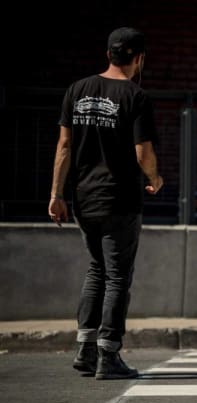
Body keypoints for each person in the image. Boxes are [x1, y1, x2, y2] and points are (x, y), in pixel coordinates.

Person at [48, 27, 163, 379]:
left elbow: (64, 146)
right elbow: (142, 151)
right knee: (117, 277)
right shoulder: (135, 96)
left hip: (84, 199)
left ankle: (84, 349)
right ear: (139, 58)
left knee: (97, 269)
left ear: (108, 54)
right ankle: (108, 354)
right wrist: (154, 178)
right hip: (120, 200)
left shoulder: (77, 89)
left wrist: (56, 194)